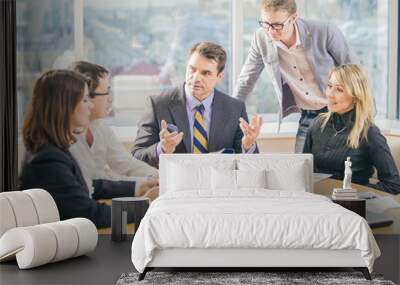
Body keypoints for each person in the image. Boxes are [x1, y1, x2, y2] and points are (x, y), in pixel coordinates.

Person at [19, 70, 155, 228]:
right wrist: (146, 205)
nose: (90, 105)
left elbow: (86, 187)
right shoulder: (48, 160)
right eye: (84, 100)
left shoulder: (54, 149)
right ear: (65, 107)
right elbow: (91, 215)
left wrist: (139, 187)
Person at [234, 0, 356, 153]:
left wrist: (365, 116)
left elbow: (354, 73)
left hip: (342, 112)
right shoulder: (261, 38)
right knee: (301, 169)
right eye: (265, 24)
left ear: (293, 18)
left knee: (344, 167)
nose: (271, 31)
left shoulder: (324, 31)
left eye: (277, 25)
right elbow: (247, 79)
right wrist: (231, 113)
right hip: (309, 115)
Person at [132, 42, 263, 168]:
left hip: (219, 186)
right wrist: (162, 148)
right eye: (192, 69)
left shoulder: (235, 108)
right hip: (176, 185)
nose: (196, 78)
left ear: (220, 76)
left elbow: (247, 166)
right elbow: (137, 157)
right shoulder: (158, 105)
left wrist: (247, 145)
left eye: (206, 73)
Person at [303, 64, 400, 195]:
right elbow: (304, 172)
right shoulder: (317, 124)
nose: (330, 94)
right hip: (319, 202)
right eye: (330, 86)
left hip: (351, 207)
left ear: (356, 96)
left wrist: (355, 195)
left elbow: (393, 184)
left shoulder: (369, 133)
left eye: (339, 90)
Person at [68, 61, 159, 200]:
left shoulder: (101, 128)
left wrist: (159, 177)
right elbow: (96, 180)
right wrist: (142, 184)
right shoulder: (66, 137)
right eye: (106, 92)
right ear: (86, 95)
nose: (110, 99)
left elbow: (126, 163)